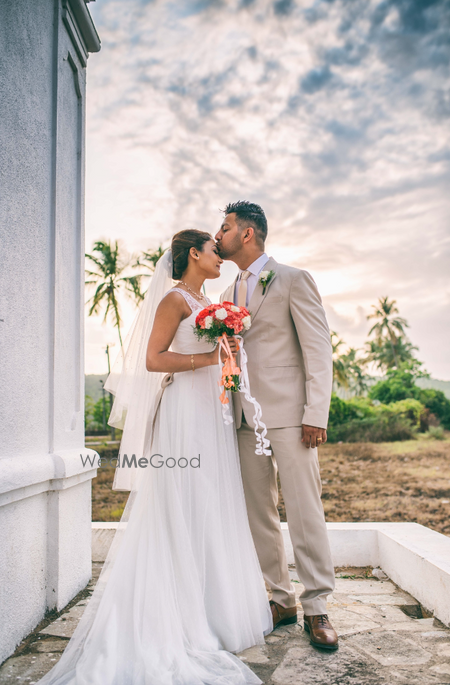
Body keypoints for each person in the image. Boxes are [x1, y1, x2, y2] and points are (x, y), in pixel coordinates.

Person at [36, 229, 272, 685]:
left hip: (212, 410)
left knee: (212, 501)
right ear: (192, 255)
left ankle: (211, 608)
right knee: (183, 499)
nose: (219, 256)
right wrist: (207, 360)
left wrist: (228, 351)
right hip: (183, 409)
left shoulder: (209, 301)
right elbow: (153, 360)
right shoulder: (175, 300)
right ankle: (178, 613)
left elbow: (211, 352)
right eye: (211, 250)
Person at [216, 201, 339, 651]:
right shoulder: (229, 292)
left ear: (247, 234)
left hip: (291, 417)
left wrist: (315, 414)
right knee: (258, 515)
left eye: (225, 228)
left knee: (305, 510)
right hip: (245, 419)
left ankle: (318, 606)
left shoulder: (292, 279)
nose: (219, 235)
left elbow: (318, 350)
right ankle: (282, 599)